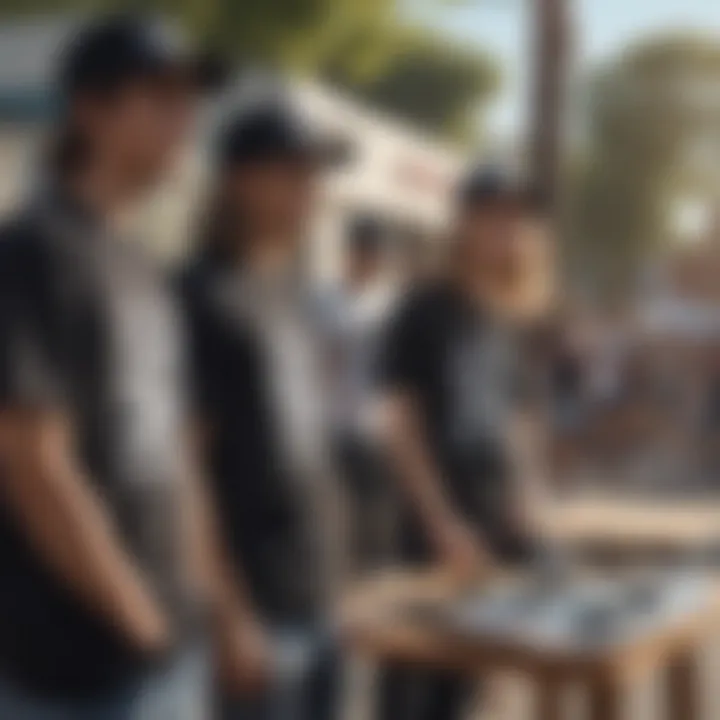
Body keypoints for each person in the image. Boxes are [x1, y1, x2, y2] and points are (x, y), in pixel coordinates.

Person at [0, 15, 267, 720]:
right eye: (162, 96)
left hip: (170, 651)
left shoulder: (146, 270)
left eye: (192, 100)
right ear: (89, 110)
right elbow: (33, 462)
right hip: (71, 673)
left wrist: (216, 611)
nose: (188, 118)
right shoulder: (31, 253)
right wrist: (138, 617)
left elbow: (181, 461)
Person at [177, 95, 348, 720]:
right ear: (239, 179)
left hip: (317, 605)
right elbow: (180, 473)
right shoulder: (196, 298)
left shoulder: (289, 291)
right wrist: (228, 617)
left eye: (315, 176)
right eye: (294, 174)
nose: (312, 192)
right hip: (252, 618)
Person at [376, 167, 551, 720]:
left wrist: (525, 498)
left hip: (492, 525)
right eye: (494, 215)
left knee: (474, 690)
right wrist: (440, 522)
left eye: (515, 219)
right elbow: (401, 428)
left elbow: (515, 422)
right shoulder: (423, 308)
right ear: (464, 222)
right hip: (434, 535)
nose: (507, 230)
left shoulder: (503, 316)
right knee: (415, 694)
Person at [320, 217, 398, 573]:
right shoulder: (322, 301)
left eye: (376, 254)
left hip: (375, 429)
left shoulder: (390, 306)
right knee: (338, 521)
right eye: (363, 252)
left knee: (377, 521)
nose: (369, 260)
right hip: (333, 426)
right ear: (349, 254)